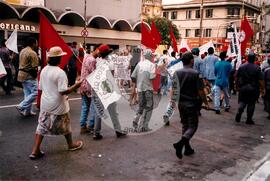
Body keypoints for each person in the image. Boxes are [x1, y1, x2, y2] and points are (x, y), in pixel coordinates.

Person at [29, 46, 83, 160]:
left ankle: (35, 150)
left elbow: (41, 88)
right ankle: (71, 145)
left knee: (41, 126)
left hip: (46, 103)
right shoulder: (60, 73)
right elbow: (63, 91)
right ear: (59, 58)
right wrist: (76, 85)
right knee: (66, 125)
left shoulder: (44, 70)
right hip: (58, 104)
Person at [171, 52, 209, 159]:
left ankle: (187, 149)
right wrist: (205, 103)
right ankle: (181, 144)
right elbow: (201, 91)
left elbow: (174, 89)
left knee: (185, 125)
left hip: (181, 103)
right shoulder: (196, 73)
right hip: (191, 104)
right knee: (192, 126)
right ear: (192, 61)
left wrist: (172, 102)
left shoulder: (177, 73)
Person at [92, 44, 127, 139]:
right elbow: (110, 77)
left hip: (99, 88)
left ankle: (96, 133)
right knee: (113, 112)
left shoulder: (98, 62)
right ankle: (118, 131)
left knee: (99, 112)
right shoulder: (110, 63)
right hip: (108, 88)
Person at [235, 52, 264, 124]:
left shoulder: (241, 66)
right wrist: (263, 88)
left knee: (242, 101)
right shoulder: (257, 68)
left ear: (247, 58)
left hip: (243, 87)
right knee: (251, 104)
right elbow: (261, 80)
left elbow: (236, 77)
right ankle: (249, 119)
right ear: (254, 59)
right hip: (253, 88)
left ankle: (240, 110)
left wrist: (236, 85)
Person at [131, 49, 156, 132]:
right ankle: (144, 126)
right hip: (148, 88)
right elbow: (152, 77)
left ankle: (135, 121)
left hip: (140, 89)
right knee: (148, 107)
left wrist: (138, 82)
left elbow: (133, 76)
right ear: (150, 56)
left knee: (141, 106)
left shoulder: (139, 64)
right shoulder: (152, 65)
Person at [79, 46, 99, 134]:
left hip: (82, 84)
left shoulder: (86, 56)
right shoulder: (93, 60)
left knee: (85, 106)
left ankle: (83, 126)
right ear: (97, 50)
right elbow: (94, 74)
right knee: (93, 106)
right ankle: (91, 125)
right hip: (89, 86)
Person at [16, 37, 39, 116]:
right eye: (36, 42)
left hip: (21, 75)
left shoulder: (23, 50)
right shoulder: (32, 53)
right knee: (35, 92)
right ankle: (21, 106)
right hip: (29, 75)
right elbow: (34, 67)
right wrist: (35, 76)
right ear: (33, 43)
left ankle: (27, 112)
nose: (37, 44)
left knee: (27, 94)